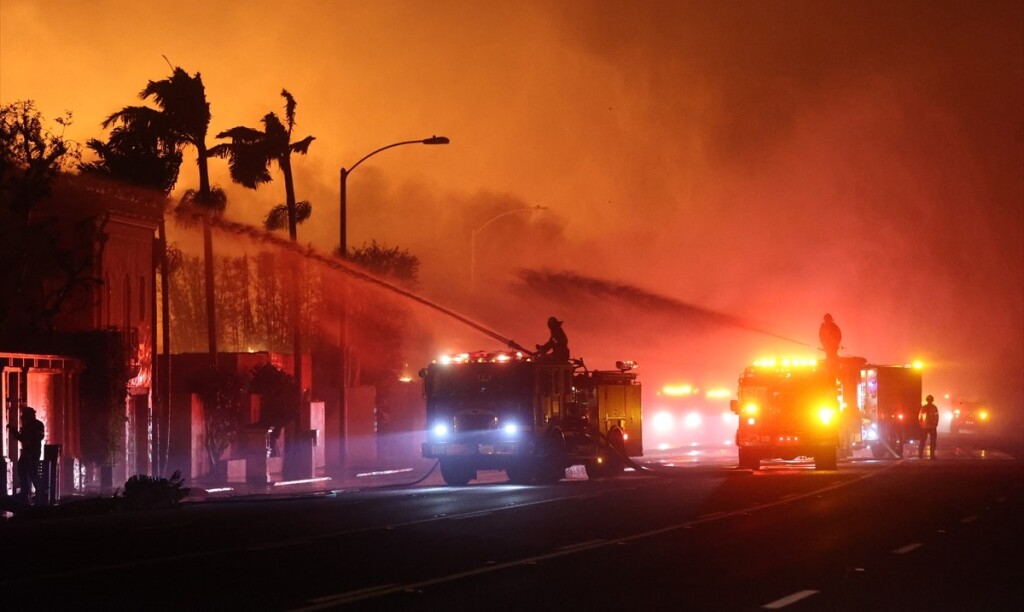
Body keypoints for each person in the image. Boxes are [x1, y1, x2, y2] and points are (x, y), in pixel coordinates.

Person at [10, 406, 45, 502]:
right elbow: (23, 438)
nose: (23, 417)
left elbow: (39, 437)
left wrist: (28, 439)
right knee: (23, 471)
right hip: (27, 452)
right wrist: (16, 433)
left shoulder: (38, 424)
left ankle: (39, 494)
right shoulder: (28, 425)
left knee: (32, 473)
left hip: (33, 453)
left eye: (25, 415)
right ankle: (26, 494)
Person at [918, 395, 940, 459]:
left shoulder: (923, 408)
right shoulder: (934, 408)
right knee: (932, 441)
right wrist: (935, 424)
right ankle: (931, 455)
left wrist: (921, 425)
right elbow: (936, 417)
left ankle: (921, 454)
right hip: (930, 427)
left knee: (923, 441)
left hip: (925, 427)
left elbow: (920, 417)